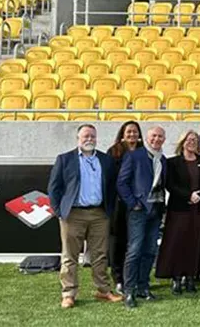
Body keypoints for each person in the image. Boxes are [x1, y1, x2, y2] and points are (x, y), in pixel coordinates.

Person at [48, 124, 123, 309]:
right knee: (70, 256)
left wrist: (109, 210)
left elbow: (113, 187)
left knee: (100, 255)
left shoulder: (106, 160)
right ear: (78, 138)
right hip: (72, 214)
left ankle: (103, 290)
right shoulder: (65, 159)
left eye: (92, 136)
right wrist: (60, 211)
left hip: (99, 214)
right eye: (85, 136)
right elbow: (54, 188)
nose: (89, 139)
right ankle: (69, 293)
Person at [155, 130, 200, 295]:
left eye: (195, 140)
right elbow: (170, 185)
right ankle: (176, 278)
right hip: (179, 209)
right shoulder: (173, 162)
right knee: (178, 243)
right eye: (189, 140)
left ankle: (191, 277)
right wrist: (188, 195)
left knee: (197, 243)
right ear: (182, 142)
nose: (192, 142)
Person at [117, 126, 167, 309]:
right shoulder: (134, 156)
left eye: (160, 136)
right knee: (135, 250)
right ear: (147, 137)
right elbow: (122, 183)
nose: (157, 139)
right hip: (139, 211)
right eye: (154, 135)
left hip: (156, 210)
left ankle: (143, 287)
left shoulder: (164, 160)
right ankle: (129, 290)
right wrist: (133, 203)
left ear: (164, 139)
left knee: (150, 250)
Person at [107, 121, 143, 294]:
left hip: (140, 205)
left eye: (135, 132)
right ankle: (118, 278)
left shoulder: (145, 152)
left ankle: (133, 277)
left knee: (135, 243)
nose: (132, 135)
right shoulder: (114, 152)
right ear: (123, 133)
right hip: (119, 205)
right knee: (118, 241)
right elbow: (111, 180)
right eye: (128, 132)